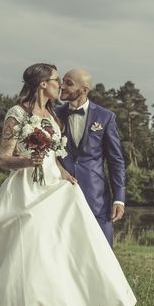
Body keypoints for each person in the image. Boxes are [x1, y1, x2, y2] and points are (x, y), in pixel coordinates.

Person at [0, 63, 136, 306]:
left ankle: (74, 302)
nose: (60, 85)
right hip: (28, 187)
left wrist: (63, 174)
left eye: (65, 82)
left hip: (60, 187)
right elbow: (3, 159)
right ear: (43, 84)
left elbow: (68, 156)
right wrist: (28, 161)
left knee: (65, 250)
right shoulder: (18, 113)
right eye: (56, 80)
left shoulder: (56, 115)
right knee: (30, 244)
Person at [56, 68, 126, 246]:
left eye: (68, 83)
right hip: (60, 192)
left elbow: (115, 161)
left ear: (84, 89)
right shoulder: (54, 115)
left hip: (96, 196)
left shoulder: (105, 117)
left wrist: (119, 198)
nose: (61, 86)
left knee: (101, 248)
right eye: (62, 81)